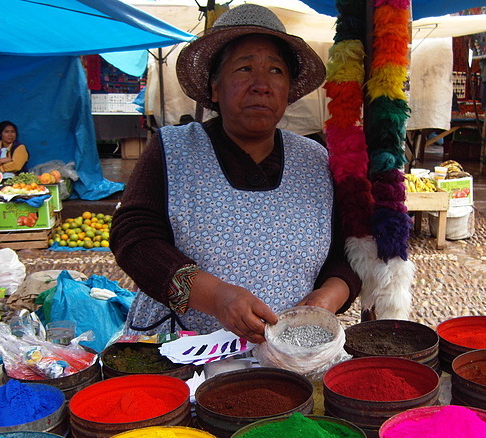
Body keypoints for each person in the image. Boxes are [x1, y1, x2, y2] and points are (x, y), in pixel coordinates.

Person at [110, 4, 361, 344]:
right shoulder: (173, 149)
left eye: (276, 71)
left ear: (288, 91)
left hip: (289, 354)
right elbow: (134, 238)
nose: (261, 84)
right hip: (182, 351)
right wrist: (216, 297)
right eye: (244, 68)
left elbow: (348, 250)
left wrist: (326, 300)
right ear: (214, 88)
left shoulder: (316, 160)